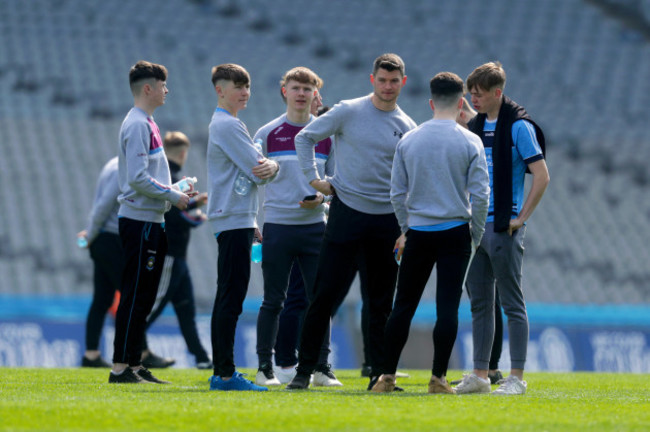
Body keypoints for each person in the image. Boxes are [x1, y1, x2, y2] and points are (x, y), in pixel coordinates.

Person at [287, 53, 417, 390]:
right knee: (324, 296)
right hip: (346, 215)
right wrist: (313, 178)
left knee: (380, 304)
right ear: (372, 80)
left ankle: (379, 375)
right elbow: (304, 138)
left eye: (394, 81)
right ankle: (304, 372)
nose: (388, 87)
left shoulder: (408, 127)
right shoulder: (348, 110)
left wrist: (407, 228)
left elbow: (409, 182)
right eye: (382, 80)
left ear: (403, 83)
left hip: (387, 221)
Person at [371, 72, 490, 394]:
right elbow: (481, 196)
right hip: (455, 232)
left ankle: (386, 377)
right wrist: (475, 236)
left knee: (403, 305)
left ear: (431, 101)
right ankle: (438, 379)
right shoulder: (470, 140)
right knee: (447, 307)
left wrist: (406, 228)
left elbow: (396, 193)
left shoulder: (410, 139)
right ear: (462, 102)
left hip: (419, 232)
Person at [454, 61, 549, 396]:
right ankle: (480, 375)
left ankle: (517, 378)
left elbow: (542, 175)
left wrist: (520, 218)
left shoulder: (520, 127)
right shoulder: (477, 126)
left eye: (479, 94)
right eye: (471, 95)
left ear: (498, 92)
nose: (474, 100)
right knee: (480, 302)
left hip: (503, 226)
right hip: (476, 225)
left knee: (511, 303)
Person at [253, 67, 341, 387]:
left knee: (320, 300)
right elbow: (249, 179)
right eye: (296, 87)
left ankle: (321, 367)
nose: (301, 93)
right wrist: (252, 221)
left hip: (315, 228)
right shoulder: (266, 133)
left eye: (308, 88)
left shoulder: (325, 136)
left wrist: (322, 198)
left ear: (315, 94)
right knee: (273, 300)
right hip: (277, 226)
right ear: (284, 91)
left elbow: (337, 182)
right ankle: (265, 368)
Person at [109, 60, 191, 384]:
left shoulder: (149, 123)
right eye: (162, 84)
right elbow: (139, 179)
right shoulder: (137, 125)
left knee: (144, 295)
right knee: (135, 294)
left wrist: (176, 190)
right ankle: (120, 367)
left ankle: (134, 363)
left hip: (151, 219)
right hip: (140, 220)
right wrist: (174, 196)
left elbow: (149, 177)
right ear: (148, 88)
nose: (166, 90)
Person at [206, 63, 280, 391]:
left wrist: (250, 222)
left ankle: (222, 371)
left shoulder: (230, 124)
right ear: (219, 90)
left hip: (237, 218)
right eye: (237, 86)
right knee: (230, 298)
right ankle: (224, 373)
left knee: (229, 296)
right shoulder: (227, 125)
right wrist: (273, 163)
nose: (245, 92)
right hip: (232, 218)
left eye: (247, 85)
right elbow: (257, 171)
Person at [141, 131, 212, 370]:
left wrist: (194, 204)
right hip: (168, 254)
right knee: (154, 305)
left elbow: (172, 207)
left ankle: (201, 357)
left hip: (177, 255)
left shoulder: (165, 175)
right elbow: (173, 216)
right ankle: (132, 347)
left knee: (186, 307)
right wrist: (197, 219)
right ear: (183, 153)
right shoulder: (172, 176)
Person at [451, 97, 506, 386]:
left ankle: (491, 367)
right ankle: (490, 366)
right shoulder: (473, 135)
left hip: (489, 220)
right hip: (482, 219)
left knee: (487, 298)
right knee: (486, 298)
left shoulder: (481, 132)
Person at [78, 157, 121, 368]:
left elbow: (100, 204)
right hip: (111, 238)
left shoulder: (110, 164)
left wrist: (92, 235)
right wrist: (90, 234)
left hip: (102, 238)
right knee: (132, 295)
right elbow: (105, 205)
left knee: (102, 299)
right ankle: (135, 354)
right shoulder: (123, 167)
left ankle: (91, 354)